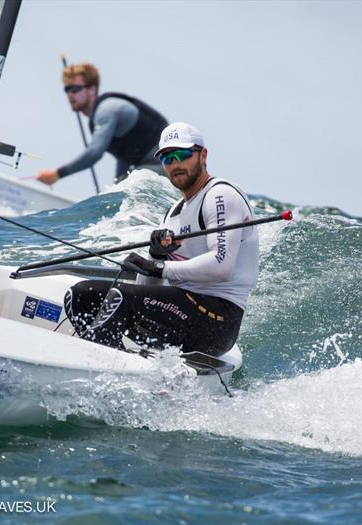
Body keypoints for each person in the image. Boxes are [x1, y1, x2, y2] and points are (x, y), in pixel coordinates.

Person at [63, 122, 259, 356]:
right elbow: (147, 289)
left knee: (121, 299)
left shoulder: (220, 195)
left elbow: (222, 265)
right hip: (179, 311)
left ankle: (101, 368)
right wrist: (155, 256)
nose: (175, 164)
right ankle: (123, 365)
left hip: (217, 319)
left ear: (203, 155)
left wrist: (159, 266)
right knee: (82, 295)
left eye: (183, 155)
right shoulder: (172, 214)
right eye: (167, 158)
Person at [36, 62, 168, 186]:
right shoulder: (100, 118)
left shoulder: (106, 111)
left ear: (92, 89)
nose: (70, 94)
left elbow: (94, 153)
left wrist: (57, 174)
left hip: (164, 162)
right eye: (67, 90)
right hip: (144, 165)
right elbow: (123, 157)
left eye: (75, 89)